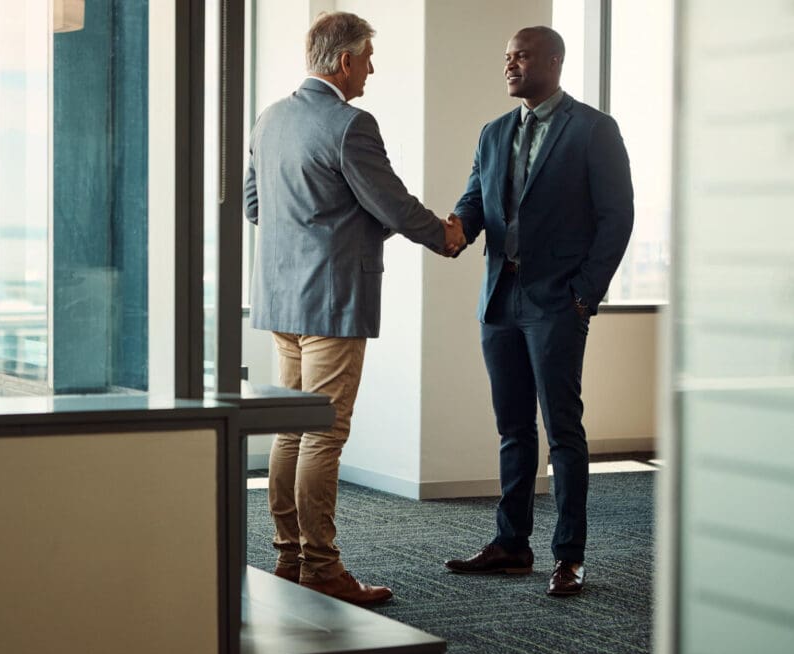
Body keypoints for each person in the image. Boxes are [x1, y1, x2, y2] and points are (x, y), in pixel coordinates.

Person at [243, 11, 465, 606]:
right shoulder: (349, 125)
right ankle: (322, 567)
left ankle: (289, 556)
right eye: (367, 57)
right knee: (324, 434)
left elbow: (254, 204)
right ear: (344, 61)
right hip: (333, 300)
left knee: (293, 429)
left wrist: (324, 226)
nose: (371, 68)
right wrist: (443, 235)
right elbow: (390, 205)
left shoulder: (271, 118)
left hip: (281, 300)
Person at [443, 26, 633, 596]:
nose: (509, 66)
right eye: (506, 57)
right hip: (500, 299)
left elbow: (616, 218)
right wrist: (449, 232)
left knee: (563, 430)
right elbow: (474, 200)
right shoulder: (494, 131)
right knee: (512, 428)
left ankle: (569, 554)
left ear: (553, 60)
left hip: (556, 302)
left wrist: (584, 295)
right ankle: (511, 545)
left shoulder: (594, 129)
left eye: (520, 56)